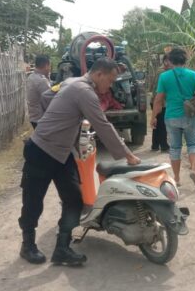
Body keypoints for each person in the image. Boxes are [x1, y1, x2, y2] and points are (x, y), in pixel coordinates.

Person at [18, 58, 141, 266]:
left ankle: (62, 249)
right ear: (99, 74)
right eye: (109, 81)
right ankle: (27, 245)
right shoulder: (85, 92)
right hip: (41, 150)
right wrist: (128, 155)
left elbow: (48, 96)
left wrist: (62, 115)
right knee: (33, 201)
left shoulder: (70, 82)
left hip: (62, 154)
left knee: (74, 200)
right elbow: (102, 124)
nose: (109, 86)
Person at [151, 48, 195, 187]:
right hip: (189, 116)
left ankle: (176, 178)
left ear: (170, 61)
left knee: (175, 147)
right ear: (185, 60)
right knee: (193, 144)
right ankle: (193, 170)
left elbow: (158, 100)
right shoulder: (193, 75)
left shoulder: (164, 77)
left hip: (171, 117)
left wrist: (153, 117)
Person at [151, 55, 172, 152]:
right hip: (159, 102)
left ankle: (155, 145)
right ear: (166, 61)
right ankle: (164, 146)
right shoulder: (163, 72)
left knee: (157, 124)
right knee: (162, 124)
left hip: (157, 101)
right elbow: (158, 90)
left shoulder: (162, 71)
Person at [26, 55, 51, 129]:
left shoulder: (31, 77)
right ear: (46, 66)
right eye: (49, 66)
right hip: (41, 119)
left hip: (34, 117)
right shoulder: (41, 81)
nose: (50, 69)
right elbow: (49, 99)